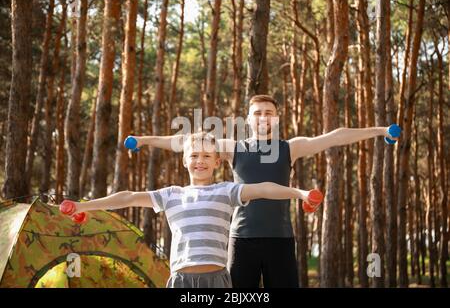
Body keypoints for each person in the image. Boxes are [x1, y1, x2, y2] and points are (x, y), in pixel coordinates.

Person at [131, 95, 400, 288]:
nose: (263, 117)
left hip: (280, 239)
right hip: (241, 241)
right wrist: (144, 140)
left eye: (268, 113)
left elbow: (334, 136)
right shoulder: (233, 148)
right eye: (257, 113)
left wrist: (380, 131)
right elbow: (183, 141)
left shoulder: (289, 148)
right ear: (248, 119)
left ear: (276, 118)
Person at [59, 132, 320, 288]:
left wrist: (301, 193)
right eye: (194, 155)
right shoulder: (171, 195)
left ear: (218, 161)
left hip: (217, 280)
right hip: (181, 281)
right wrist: (84, 206)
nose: (200, 161)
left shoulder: (226, 191)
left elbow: (264, 188)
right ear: (185, 160)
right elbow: (127, 197)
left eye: (207, 156)